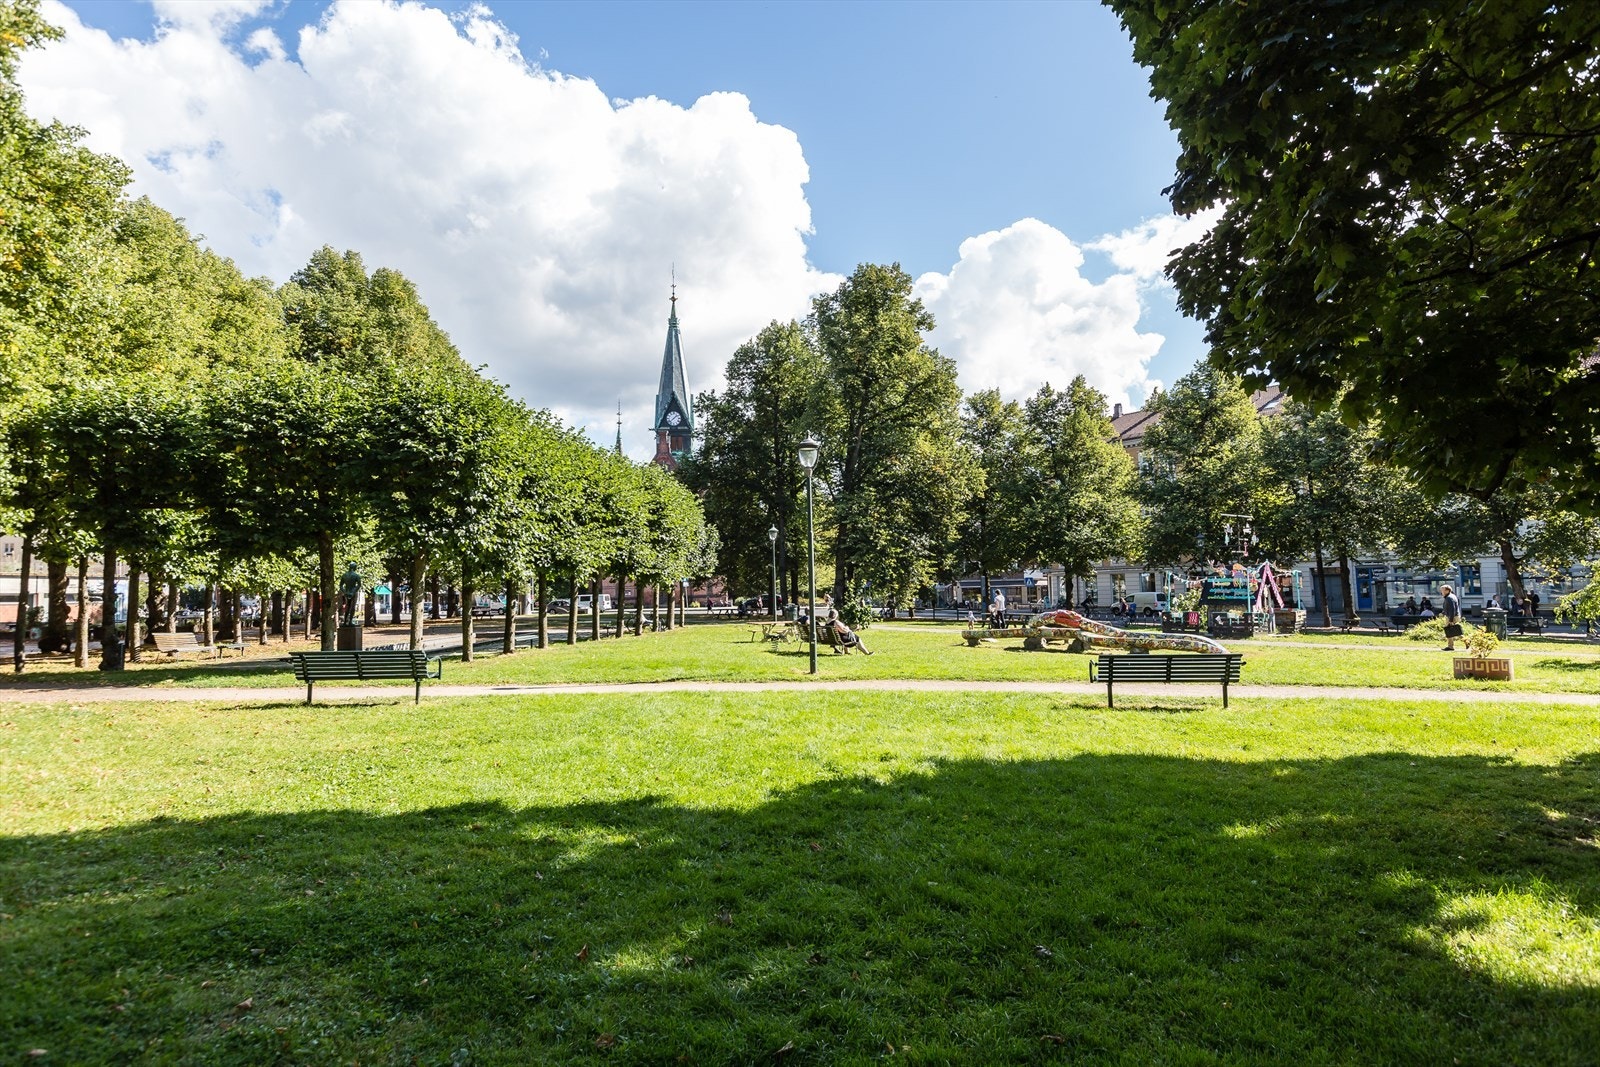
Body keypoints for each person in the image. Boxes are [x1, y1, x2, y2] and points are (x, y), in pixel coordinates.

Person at [1440, 583, 1462, 651]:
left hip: (1452, 616)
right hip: (1454, 616)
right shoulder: (1452, 596)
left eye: (1442, 590)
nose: (1441, 592)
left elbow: (1452, 609)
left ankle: (1451, 646)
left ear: (1447, 590)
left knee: (1451, 630)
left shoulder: (1449, 598)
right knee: (1453, 630)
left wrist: (1451, 620)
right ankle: (1451, 646)